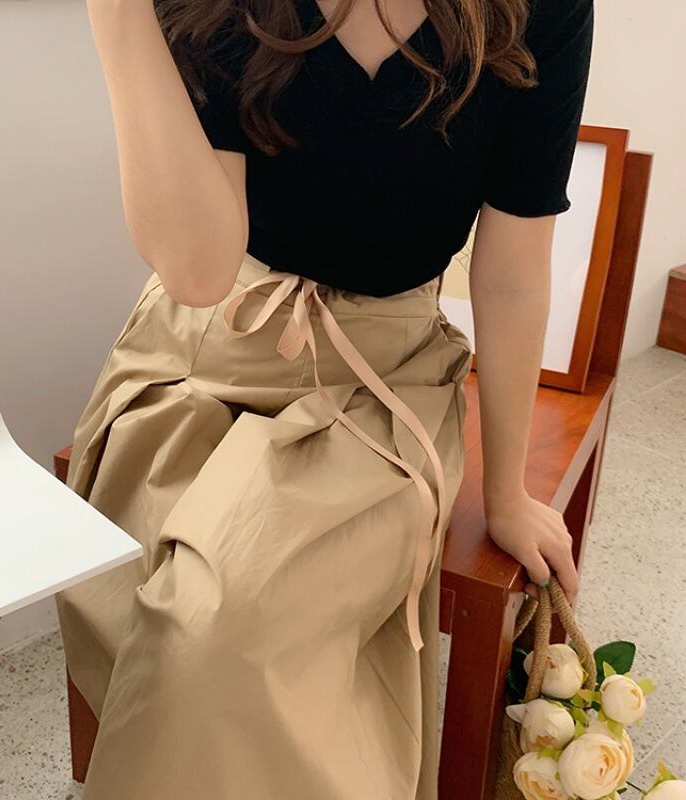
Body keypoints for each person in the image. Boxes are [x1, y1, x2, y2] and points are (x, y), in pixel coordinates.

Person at [54, 0, 594, 797]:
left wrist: (505, 493)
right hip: (205, 349)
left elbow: (512, 273)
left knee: (213, 635)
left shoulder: (539, 8)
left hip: (382, 376)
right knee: (155, 615)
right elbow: (199, 272)